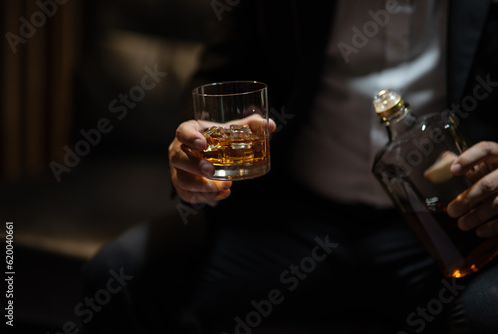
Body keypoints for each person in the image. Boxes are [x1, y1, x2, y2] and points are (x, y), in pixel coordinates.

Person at [82, 1, 498, 333]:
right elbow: (218, 80)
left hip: (452, 222)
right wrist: (197, 152)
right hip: (295, 220)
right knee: (117, 276)